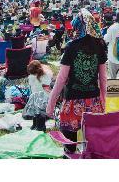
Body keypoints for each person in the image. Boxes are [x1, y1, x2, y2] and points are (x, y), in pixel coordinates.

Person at [46, 9, 107, 147]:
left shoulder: (71, 46)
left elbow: (61, 79)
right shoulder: (100, 46)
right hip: (94, 103)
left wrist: (50, 105)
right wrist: (104, 101)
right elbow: (103, 78)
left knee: (70, 145)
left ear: (78, 26)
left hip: (72, 104)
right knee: (93, 145)